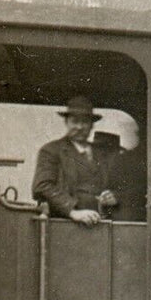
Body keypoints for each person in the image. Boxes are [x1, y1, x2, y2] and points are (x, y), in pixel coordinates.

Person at [32, 96, 117, 226]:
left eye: (85, 122)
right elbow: (42, 187)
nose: (79, 127)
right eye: (75, 121)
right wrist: (72, 212)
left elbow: (118, 185)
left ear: (92, 125)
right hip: (66, 225)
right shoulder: (51, 151)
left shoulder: (102, 154)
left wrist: (113, 196)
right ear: (66, 122)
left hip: (101, 224)